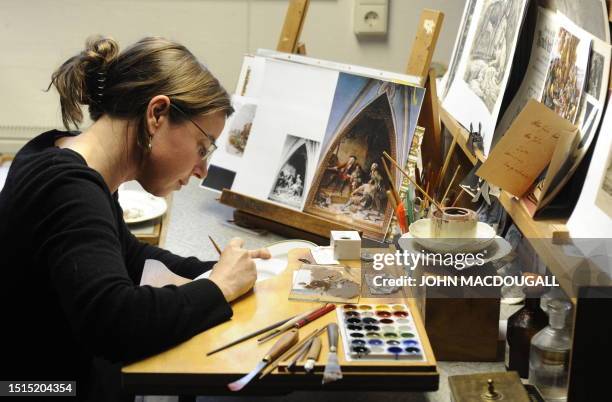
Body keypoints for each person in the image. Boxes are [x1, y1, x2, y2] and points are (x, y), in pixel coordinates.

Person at [0, 36, 270, 402]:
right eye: (202, 147)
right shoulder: (68, 187)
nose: (202, 169)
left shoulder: (63, 154)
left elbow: (130, 257)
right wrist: (218, 289)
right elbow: (115, 324)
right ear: (157, 114)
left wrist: (218, 270)